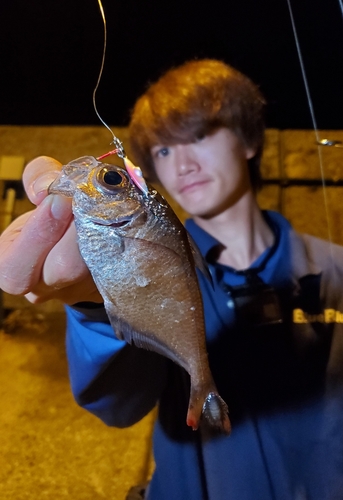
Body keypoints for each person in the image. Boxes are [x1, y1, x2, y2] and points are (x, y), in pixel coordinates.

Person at [1, 59, 343, 500]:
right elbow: (116, 405)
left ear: (249, 140)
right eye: (162, 151)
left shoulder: (336, 269)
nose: (180, 164)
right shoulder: (144, 235)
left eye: (198, 136)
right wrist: (93, 304)